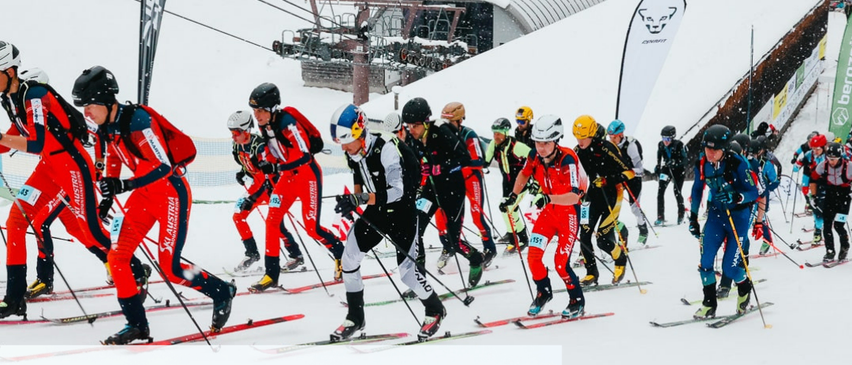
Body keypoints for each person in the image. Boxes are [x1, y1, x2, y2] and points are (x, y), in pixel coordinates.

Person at [72, 65, 236, 343]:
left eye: (89, 106)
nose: (86, 112)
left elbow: (163, 166)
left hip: (171, 193)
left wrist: (124, 185)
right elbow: (113, 155)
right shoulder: (105, 127)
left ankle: (220, 291)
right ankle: (136, 325)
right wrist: (109, 193)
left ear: (106, 100)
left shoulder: (138, 120)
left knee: (170, 267)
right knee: (117, 257)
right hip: (144, 195)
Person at [0, 43, 147, 319]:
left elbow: (35, 142)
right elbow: (13, 135)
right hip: (48, 167)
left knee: (88, 230)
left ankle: (136, 269)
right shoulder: (8, 99)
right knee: (16, 220)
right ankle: (14, 298)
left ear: (9, 70)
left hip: (71, 165)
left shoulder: (34, 94)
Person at [328, 103, 446, 341]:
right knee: (349, 257)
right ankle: (355, 316)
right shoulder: (353, 152)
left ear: (361, 133)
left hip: (402, 213)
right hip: (377, 212)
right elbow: (359, 179)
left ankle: (435, 310)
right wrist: (353, 200)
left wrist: (360, 198)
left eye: (348, 142)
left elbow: (397, 192)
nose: (346, 149)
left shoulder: (386, 149)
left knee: (407, 274)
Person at [247, 83, 345, 291]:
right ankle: (271, 274)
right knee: (272, 221)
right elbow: (275, 150)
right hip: (288, 177)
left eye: (261, 110)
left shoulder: (287, 123)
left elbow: (303, 154)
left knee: (312, 227)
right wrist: (266, 158)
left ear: (273, 109)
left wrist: (277, 164)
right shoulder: (265, 125)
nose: (257, 115)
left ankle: (341, 254)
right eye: (255, 111)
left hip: (307, 175)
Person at [500, 115, 587, 318]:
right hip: (549, 214)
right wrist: (512, 197)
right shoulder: (534, 156)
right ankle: (543, 292)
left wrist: (548, 199)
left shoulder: (568, 159)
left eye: (546, 143)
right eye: (538, 142)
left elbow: (574, 196)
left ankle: (577, 300)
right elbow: (523, 174)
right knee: (533, 257)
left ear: (556, 141)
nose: (541, 147)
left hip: (568, 215)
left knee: (561, 263)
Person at [401, 97, 485, 287]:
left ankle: (475, 258)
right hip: (431, 190)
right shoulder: (413, 137)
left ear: (425, 122)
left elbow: (464, 158)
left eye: (415, 125)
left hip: (452, 190)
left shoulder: (441, 131)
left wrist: (440, 167)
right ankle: (419, 281)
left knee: (453, 242)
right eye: (408, 125)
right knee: (415, 230)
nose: (411, 129)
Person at [688, 124, 758, 319]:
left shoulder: (738, 163)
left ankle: (744, 289)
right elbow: (696, 190)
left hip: (738, 218)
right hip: (716, 216)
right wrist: (693, 218)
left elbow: (754, 191)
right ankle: (709, 303)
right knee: (705, 261)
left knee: (730, 268)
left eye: (715, 149)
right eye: (707, 148)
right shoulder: (703, 163)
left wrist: (737, 197)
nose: (710, 153)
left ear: (724, 149)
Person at [227, 110, 304, 272]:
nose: (233, 136)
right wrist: (243, 172)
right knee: (238, 216)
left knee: (276, 225)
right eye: (231, 133)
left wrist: (252, 197)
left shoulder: (260, 146)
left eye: (236, 132)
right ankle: (252, 253)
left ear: (246, 131)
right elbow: (247, 164)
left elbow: (268, 173)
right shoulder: (237, 145)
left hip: (271, 186)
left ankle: (296, 255)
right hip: (257, 185)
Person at [572, 115, 634, 286]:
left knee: (602, 239)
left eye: (583, 137)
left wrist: (608, 179)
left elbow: (629, 173)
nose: (580, 141)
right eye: (577, 137)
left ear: (592, 134)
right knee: (584, 235)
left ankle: (620, 257)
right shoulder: (577, 151)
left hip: (612, 196)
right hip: (590, 197)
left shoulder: (607, 148)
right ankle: (591, 273)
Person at [437, 102, 496, 264]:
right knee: (442, 215)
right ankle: (448, 246)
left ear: (459, 121)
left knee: (477, 216)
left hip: (471, 179)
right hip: (453, 182)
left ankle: (489, 247)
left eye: (449, 122)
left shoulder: (468, 134)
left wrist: (457, 163)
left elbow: (479, 161)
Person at [485, 118, 531, 251]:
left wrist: (535, 181)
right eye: (494, 133)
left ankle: (520, 239)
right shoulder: (494, 144)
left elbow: (535, 158)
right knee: (505, 207)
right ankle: (513, 234)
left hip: (521, 182)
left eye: (498, 133)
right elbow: (486, 161)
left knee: (509, 208)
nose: (496, 136)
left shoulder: (517, 147)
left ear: (506, 132)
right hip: (507, 182)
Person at [607, 120, 648, 244]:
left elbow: (640, 170)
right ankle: (617, 233)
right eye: (610, 137)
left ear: (621, 134)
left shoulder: (630, 146)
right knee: (613, 206)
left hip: (633, 179)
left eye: (614, 137)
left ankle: (643, 229)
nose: (612, 140)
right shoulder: (610, 146)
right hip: (619, 179)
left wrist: (628, 174)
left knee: (634, 208)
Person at [809, 142, 851, 262]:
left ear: (840, 157)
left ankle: (845, 245)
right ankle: (830, 251)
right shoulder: (823, 166)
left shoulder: (848, 166)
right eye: (829, 158)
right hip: (830, 195)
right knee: (826, 225)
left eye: (834, 159)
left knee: (838, 225)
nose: (831, 161)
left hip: (844, 197)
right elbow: (813, 179)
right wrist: (813, 196)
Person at [796, 134, 827, 243]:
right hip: (814, 184)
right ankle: (818, 231)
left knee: (826, 208)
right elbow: (802, 161)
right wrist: (797, 165)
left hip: (828, 184)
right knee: (816, 208)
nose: (815, 151)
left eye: (817, 149)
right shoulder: (809, 155)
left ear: (823, 147)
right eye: (813, 148)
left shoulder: (828, 155)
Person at [654, 125, 687, 226]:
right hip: (667, 168)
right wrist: (658, 166)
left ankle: (681, 214)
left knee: (677, 191)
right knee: (660, 191)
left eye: (667, 139)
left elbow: (685, 160)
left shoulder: (679, 145)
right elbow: (659, 155)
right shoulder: (661, 145)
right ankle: (660, 216)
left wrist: (675, 162)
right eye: (663, 138)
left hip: (678, 170)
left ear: (672, 138)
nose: (665, 141)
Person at [793, 131, 819, 213]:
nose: (811, 144)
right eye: (809, 141)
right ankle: (808, 202)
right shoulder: (804, 147)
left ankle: (813, 204)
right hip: (806, 170)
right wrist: (795, 158)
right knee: (805, 188)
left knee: (815, 188)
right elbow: (796, 153)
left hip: (815, 171)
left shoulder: (819, 149)